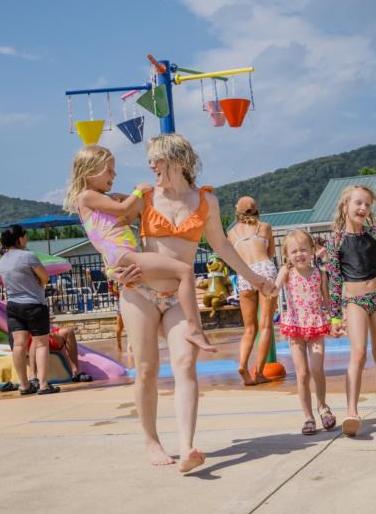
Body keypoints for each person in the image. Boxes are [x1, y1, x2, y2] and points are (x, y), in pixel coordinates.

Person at [110, 134, 274, 472]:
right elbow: (106, 233)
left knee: (185, 363)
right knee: (146, 369)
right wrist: (111, 268)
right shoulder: (144, 197)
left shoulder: (206, 201)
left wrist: (255, 278)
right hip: (139, 292)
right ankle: (151, 440)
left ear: (177, 160)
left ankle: (187, 447)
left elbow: (222, 246)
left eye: (157, 159)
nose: (151, 165)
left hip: (177, 298)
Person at [64, 144, 216, 353]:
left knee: (180, 274)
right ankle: (194, 329)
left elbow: (125, 216)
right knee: (184, 271)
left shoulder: (98, 199)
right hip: (125, 256)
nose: (114, 174)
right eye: (109, 170)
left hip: (123, 257)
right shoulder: (86, 196)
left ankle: (169, 328)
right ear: (90, 172)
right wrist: (140, 190)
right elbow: (123, 209)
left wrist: (131, 197)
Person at [325, 185, 376, 437]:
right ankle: (351, 412)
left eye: (367, 204)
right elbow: (334, 281)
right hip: (355, 301)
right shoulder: (335, 241)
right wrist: (335, 316)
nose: (363, 208)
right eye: (358, 203)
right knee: (358, 353)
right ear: (345, 206)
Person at [273, 230, 335, 435]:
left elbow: (327, 300)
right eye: (293, 251)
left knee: (317, 369)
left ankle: (323, 407)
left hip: (315, 324)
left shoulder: (320, 274)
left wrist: (335, 320)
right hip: (295, 327)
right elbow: (275, 288)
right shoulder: (286, 272)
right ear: (286, 255)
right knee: (302, 374)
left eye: (303, 250)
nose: (299, 254)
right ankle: (308, 416)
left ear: (312, 251)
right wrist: (269, 288)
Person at [0, 224, 59, 395]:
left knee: (18, 345)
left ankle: (24, 386)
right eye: (25, 236)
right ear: (19, 238)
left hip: (13, 306)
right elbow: (45, 277)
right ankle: (43, 385)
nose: (27, 239)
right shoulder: (28, 256)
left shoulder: (2, 261)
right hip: (34, 305)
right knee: (41, 344)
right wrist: (39, 282)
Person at [227, 196, 278, 385]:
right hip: (264, 269)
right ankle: (260, 373)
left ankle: (243, 365)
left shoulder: (231, 233)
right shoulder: (265, 227)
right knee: (265, 325)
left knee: (249, 328)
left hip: (245, 273)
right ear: (257, 210)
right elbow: (270, 253)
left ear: (237, 212)